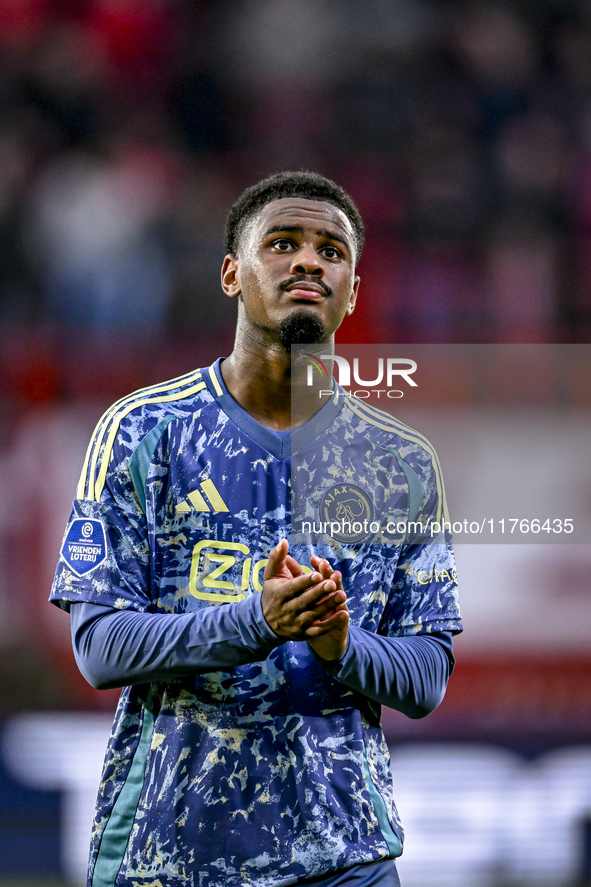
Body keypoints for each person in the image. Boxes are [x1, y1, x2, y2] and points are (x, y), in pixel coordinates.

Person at [50, 171, 462, 887]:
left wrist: (339, 642)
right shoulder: (144, 431)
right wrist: (256, 621)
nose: (309, 260)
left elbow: (425, 676)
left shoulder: (401, 463)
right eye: (282, 243)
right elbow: (99, 647)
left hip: (346, 859)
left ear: (352, 292)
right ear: (231, 274)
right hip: (169, 855)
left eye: (331, 251)